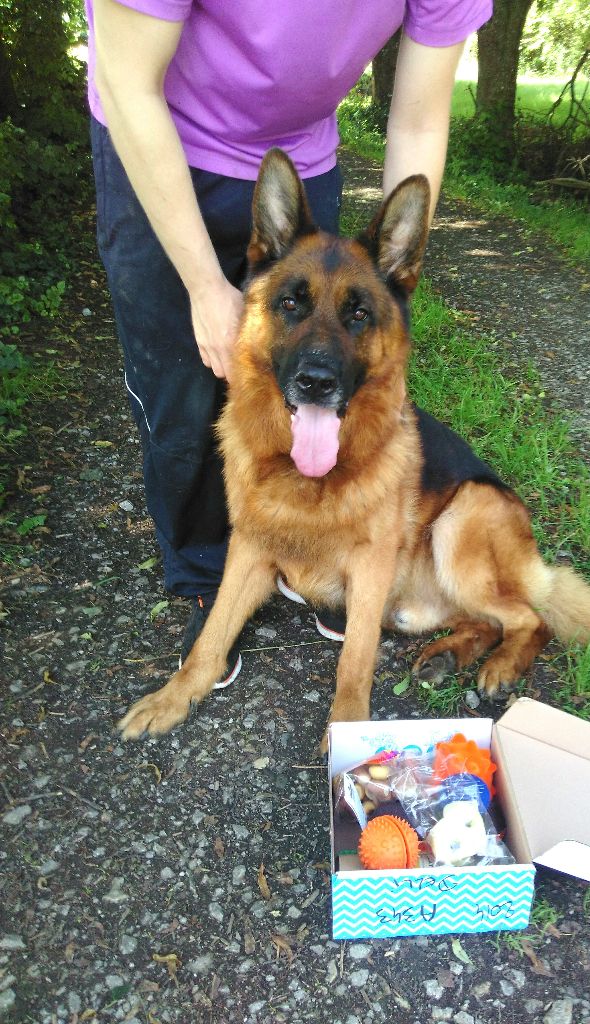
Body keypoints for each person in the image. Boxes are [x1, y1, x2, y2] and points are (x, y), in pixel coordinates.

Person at [87, 0, 493, 686]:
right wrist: (205, 286)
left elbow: (420, 117)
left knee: (316, 383)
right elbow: (129, 79)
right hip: (157, 136)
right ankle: (203, 578)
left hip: (296, 158)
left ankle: (326, 562)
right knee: (180, 397)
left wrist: (385, 278)